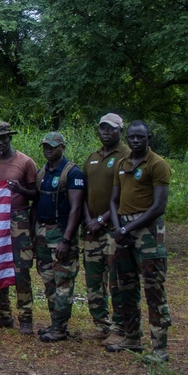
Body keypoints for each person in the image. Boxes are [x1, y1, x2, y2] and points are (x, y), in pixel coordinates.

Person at [107, 120, 172, 363]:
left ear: (148, 138)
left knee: (154, 288)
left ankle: (160, 348)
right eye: (132, 137)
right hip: (123, 229)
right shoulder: (122, 164)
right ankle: (132, 337)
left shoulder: (157, 164)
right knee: (125, 286)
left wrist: (128, 227)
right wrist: (117, 227)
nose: (135, 141)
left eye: (140, 137)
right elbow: (114, 200)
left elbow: (158, 206)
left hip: (147, 232)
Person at [0, 122, 38, 334]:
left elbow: (35, 195)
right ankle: (3, 314)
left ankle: (25, 316)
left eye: (3, 138)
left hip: (19, 218)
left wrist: (20, 189)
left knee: (21, 269)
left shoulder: (25, 162)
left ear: (10, 138)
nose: (0, 142)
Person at [34, 132, 85, 342]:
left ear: (62, 147)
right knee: (48, 281)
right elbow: (36, 204)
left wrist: (66, 239)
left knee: (63, 282)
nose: (48, 149)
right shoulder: (43, 172)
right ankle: (55, 324)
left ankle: (60, 328)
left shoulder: (72, 173)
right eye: (45, 146)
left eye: (53, 146)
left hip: (61, 233)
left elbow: (76, 208)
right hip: (42, 233)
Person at [82, 113, 129, 342]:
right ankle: (101, 325)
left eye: (111, 129)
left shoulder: (127, 156)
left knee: (116, 279)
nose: (106, 132)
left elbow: (124, 196)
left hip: (115, 228)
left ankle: (120, 327)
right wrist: (89, 219)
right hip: (91, 230)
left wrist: (102, 220)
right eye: (102, 128)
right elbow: (82, 192)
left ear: (121, 130)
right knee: (93, 279)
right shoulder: (92, 157)